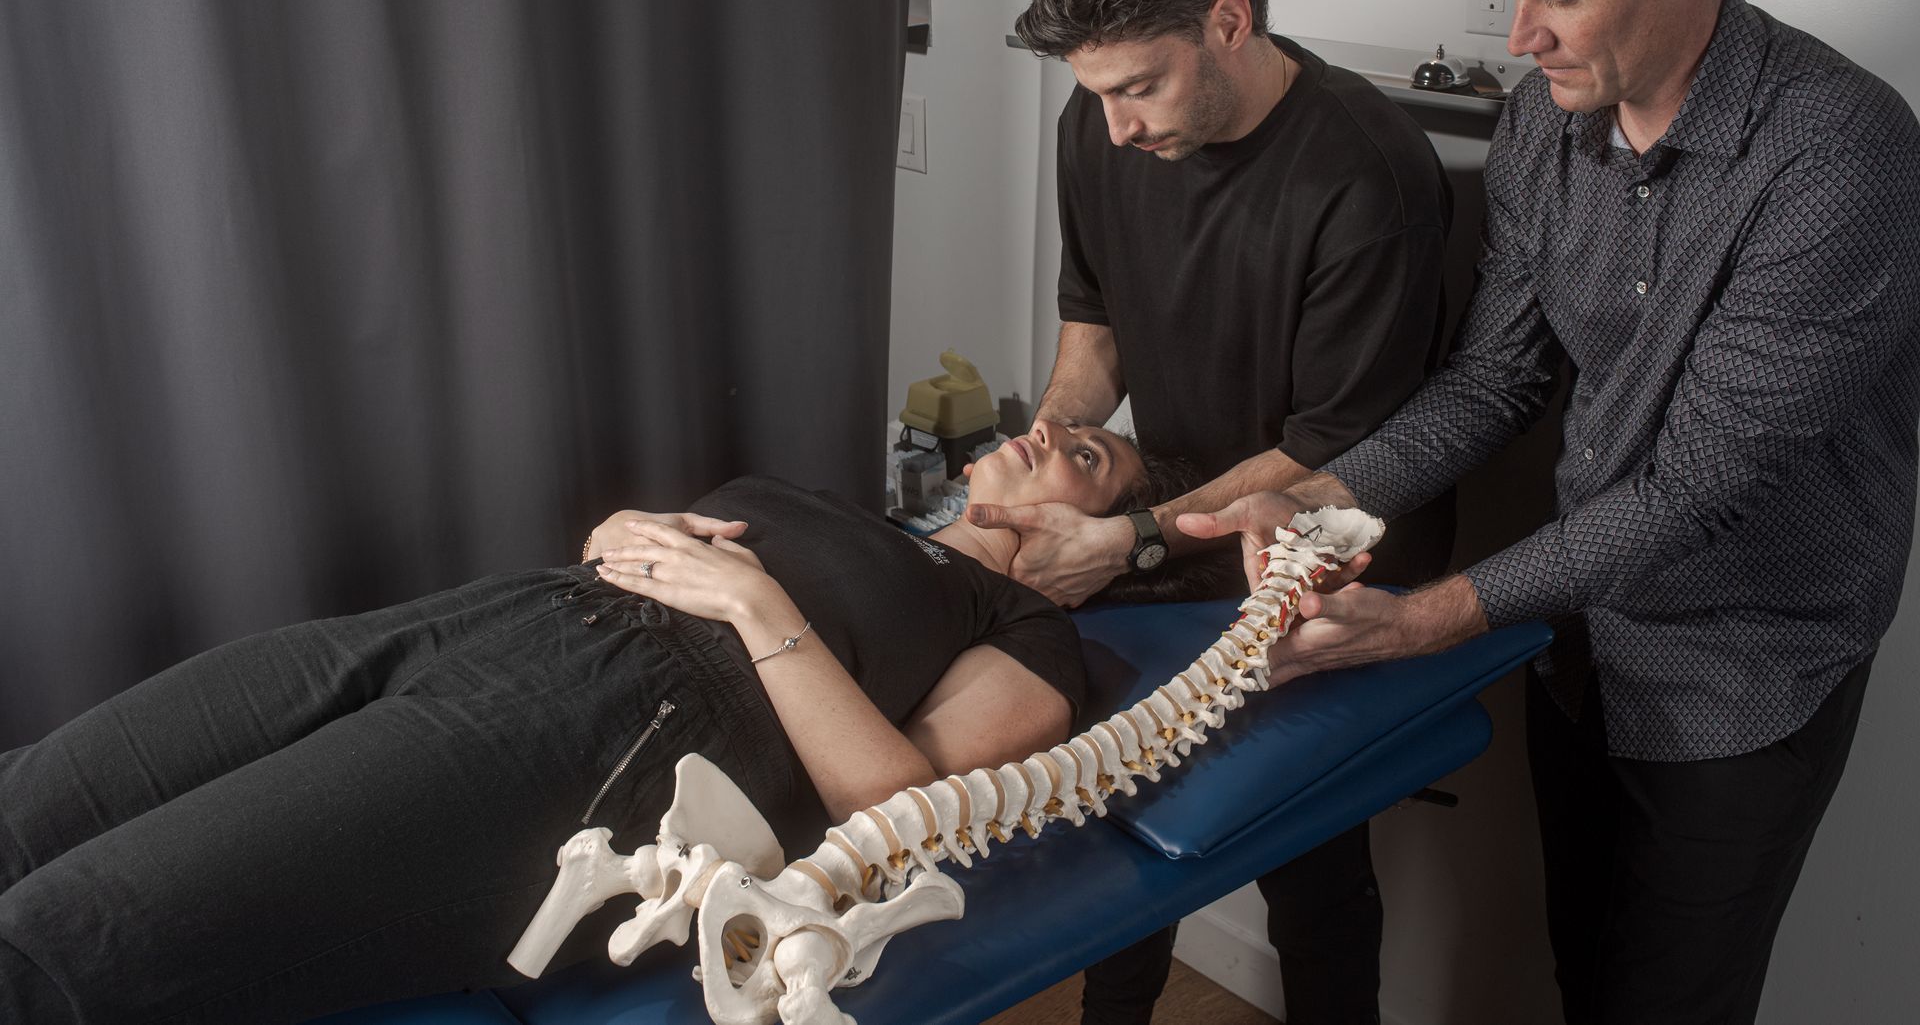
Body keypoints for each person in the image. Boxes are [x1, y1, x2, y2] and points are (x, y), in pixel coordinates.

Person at [1181, 0, 1920, 1025]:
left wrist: (1428, 621)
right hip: (1580, 637)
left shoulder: (1842, 153)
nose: (1521, 36)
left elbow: (1699, 487)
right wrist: (1318, 487)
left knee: (1672, 1002)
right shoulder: (1542, 125)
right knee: (1586, 970)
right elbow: (1494, 379)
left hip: (1747, 658)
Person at [0, 418, 1180, 1025]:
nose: (1042, 430)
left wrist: (754, 600)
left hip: (600, 737)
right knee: (36, 800)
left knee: (68, 936)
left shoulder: (1029, 636)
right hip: (491, 617)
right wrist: (624, 527)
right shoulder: (857, 507)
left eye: (1086, 455)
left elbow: (891, 804)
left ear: (1094, 541)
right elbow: (649, 544)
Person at [981, 0, 1457, 1025]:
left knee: (1312, 872)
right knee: (1119, 823)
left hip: (1319, 545)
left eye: (1138, 86)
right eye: (1095, 94)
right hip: (1158, 529)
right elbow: (1092, 337)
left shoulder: (1366, 175)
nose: (1116, 125)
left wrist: (1128, 539)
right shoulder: (1097, 130)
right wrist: (1049, 465)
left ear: (1229, 22)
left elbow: (1323, 457)